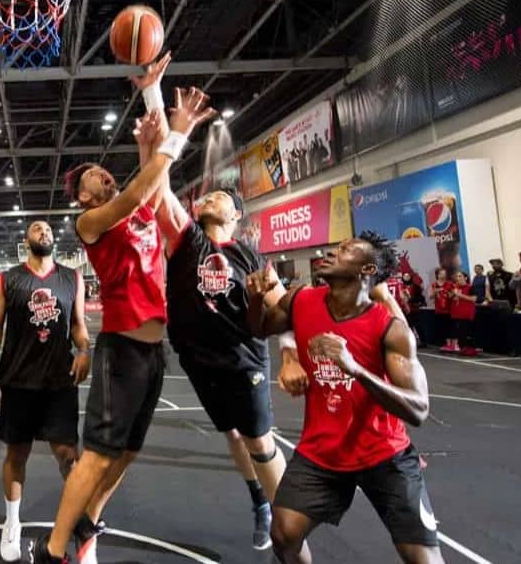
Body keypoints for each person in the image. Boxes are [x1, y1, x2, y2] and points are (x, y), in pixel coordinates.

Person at [29, 61, 218, 564]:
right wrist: (175, 133)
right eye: (94, 176)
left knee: (128, 451)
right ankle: (52, 551)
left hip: (154, 352)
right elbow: (140, 188)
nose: (103, 174)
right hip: (122, 350)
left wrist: (154, 104)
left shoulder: (135, 212)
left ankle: (88, 520)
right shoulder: (90, 222)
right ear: (85, 196)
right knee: (96, 455)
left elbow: (153, 183)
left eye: (103, 169)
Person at [247, 232, 442, 564]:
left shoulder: (389, 327)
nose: (331, 252)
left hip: (384, 453)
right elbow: (261, 328)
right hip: (323, 452)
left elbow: (419, 408)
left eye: (345, 250)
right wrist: (254, 299)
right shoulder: (302, 300)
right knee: (283, 534)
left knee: (422, 558)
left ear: (367, 270)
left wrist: (356, 370)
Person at [148, 164, 291, 549]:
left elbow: (282, 312)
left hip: (243, 359)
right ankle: (260, 501)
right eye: (206, 196)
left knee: (259, 442)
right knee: (232, 433)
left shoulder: (253, 258)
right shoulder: (185, 240)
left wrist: (290, 356)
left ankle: (287, 527)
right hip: (198, 361)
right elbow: (159, 191)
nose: (209, 198)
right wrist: (160, 145)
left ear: (237, 214)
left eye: (221, 197)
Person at [0, 220, 91, 561]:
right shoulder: (7, 279)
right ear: (25, 240)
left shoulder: (71, 278)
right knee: (17, 456)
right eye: (36, 229)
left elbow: (78, 326)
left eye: (47, 230)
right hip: (18, 381)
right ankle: (12, 523)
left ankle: (79, 530)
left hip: (59, 382)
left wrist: (85, 350)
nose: (43, 232)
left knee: (68, 458)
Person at [447, 271, 479, 357]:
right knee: (459, 333)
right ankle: (462, 348)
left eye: (460, 276)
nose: (458, 278)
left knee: (466, 332)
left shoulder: (471, 287)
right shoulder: (455, 288)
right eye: (457, 276)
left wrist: (460, 295)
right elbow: (450, 297)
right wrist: (452, 293)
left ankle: (469, 349)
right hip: (456, 314)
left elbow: (474, 299)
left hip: (466, 314)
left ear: (465, 278)